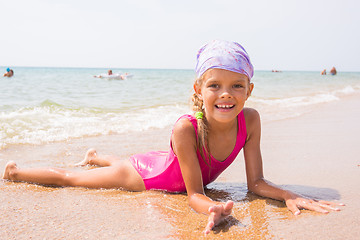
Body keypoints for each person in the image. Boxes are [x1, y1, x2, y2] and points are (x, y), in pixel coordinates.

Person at [2, 40, 344, 235]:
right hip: (149, 177)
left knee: (117, 162)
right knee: (71, 179)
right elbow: (194, 193)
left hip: (171, 163)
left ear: (249, 90)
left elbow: (255, 183)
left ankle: (96, 154)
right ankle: (15, 172)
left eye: (236, 86)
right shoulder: (186, 129)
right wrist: (211, 207)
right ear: (199, 88)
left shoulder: (250, 121)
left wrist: (289, 195)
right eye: (215, 85)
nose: (226, 95)